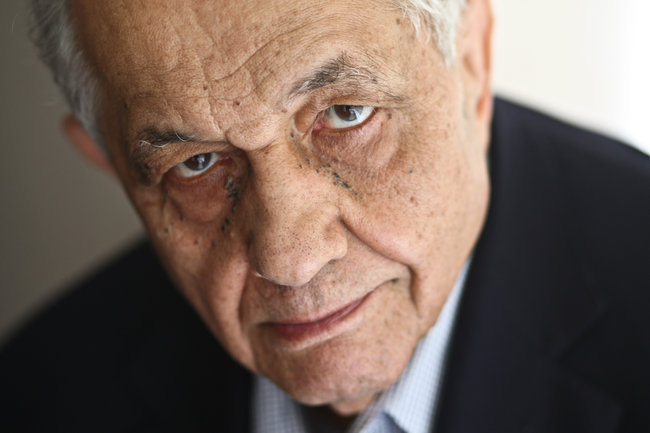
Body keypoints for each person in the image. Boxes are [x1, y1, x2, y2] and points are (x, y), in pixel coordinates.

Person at [1, 0, 648, 432]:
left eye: (345, 114)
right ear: (110, 163)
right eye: (196, 164)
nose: (291, 259)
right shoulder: (43, 396)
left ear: (471, 62)